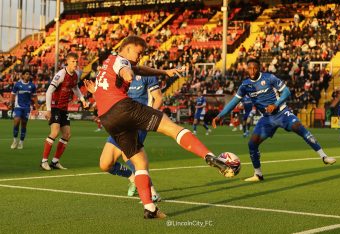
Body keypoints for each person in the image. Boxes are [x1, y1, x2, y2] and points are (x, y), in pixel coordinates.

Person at [84, 35, 232, 219]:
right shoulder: (121, 61)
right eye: (139, 53)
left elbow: (136, 69)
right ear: (128, 48)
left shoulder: (107, 62)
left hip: (107, 119)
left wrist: (164, 72)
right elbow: (128, 71)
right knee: (172, 128)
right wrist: (127, 77)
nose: (140, 57)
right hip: (125, 109)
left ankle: (150, 208)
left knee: (140, 162)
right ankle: (209, 156)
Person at [212, 58, 336, 182]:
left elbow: (286, 92)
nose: (253, 70)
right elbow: (233, 102)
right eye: (250, 68)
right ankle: (258, 174)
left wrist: (275, 104)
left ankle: (324, 156)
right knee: (252, 143)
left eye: (255, 68)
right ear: (247, 69)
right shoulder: (245, 85)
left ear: (259, 68)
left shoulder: (269, 78)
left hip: (282, 112)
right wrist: (220, 116)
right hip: (267, 118)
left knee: (298, 127)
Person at [98, 75, 163, 200]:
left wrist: (148, 118)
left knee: (128, 155)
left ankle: (152, 192)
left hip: (139, 122)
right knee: (105, 164)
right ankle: (133, 178)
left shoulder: (146, 76)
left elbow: (159, 98)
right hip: (121, 121)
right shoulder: (119, 76)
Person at [40, 52, 88, 171]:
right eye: (73, 61)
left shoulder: (76, 74)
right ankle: (44, 161)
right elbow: (49, 92)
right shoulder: (61, 74)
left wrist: (82, 99)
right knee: (55, 132)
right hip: (55, 107)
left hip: (64, 108)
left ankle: (55, 161)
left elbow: (75, 87)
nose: (75, 64)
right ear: (67, 62)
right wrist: (48, 110)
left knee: (67, 135)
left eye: (76, 62)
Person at [10, 71, 39, 149]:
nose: (28, 75)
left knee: (24, 124)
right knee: (16, 121)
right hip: (18, 106)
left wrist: (37, 108)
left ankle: (21, 142)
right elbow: (13, 94)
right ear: (22, 76)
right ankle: (15, 140)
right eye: (26, 74)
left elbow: (35, 97)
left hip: (26, 107)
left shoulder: (32, 86)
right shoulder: (17, 84)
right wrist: (10, 103)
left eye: (29, 74)